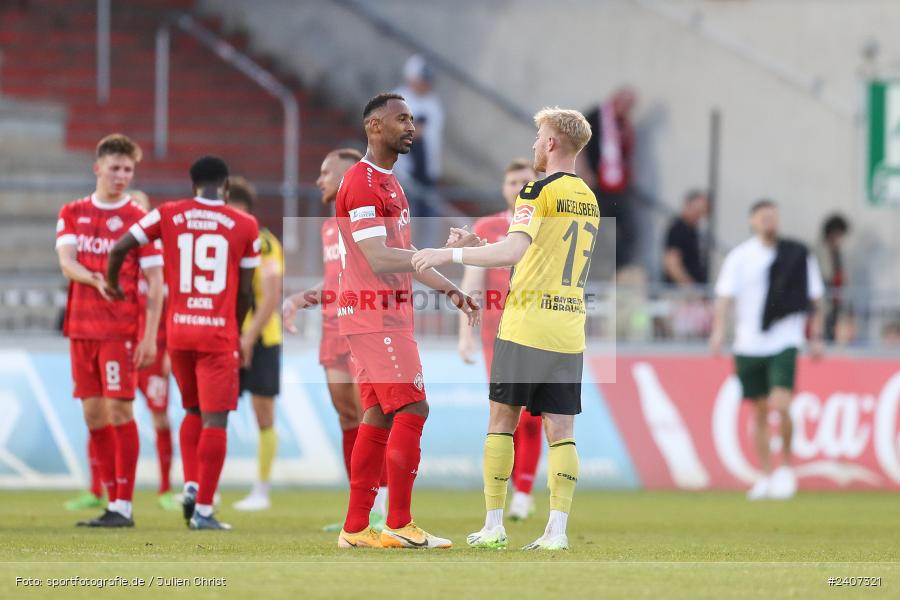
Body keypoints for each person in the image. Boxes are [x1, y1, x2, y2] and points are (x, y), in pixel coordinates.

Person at [414, 107, 599, 551]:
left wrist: (447, 256)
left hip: (526, 322)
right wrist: (478, 244)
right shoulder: (587, 196)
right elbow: (542, 253)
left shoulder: (537, 189)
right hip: (569, 324)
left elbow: (515, 252)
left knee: (502, 419)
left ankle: (494, 524)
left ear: (552, 142)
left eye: (538, 136)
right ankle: (557, 531)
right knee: (562, 428)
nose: (535, 144)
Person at [334, 92, 479, 550]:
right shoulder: (362, 182)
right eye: (402, 119)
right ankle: (399, 521)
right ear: (374, 126)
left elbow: (402, 258)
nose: (411, 126)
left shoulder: (391, 184)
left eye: (414, 119)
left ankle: (356, 529)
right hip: (375, 315)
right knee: (414, 408)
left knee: (377, 415)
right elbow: (378, 258)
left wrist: (450, 288)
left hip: (385, 313)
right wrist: (442, 259)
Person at [107, 156, 259, 530]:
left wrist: (113, 284)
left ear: (193, 185)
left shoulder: (169, 213)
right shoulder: (245, 224)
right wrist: (236, 331)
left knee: (191, 409)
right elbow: (245, 292)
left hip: (178, 333)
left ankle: (191, 483)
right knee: (215, 419)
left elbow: (119, 247)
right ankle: (204, 509)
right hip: (217, 334)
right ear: (225, 187)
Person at [55, 134, 164, 527]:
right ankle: (109, 499)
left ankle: (123, 504)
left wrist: (151, 336)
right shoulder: (72, 211)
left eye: (128, 169)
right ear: (97, 168)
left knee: (120, 409)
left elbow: (156, 280)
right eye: (115, 168)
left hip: (121, 329)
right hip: (81, 328)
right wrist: (94, 279)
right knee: (94, 414)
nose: (121, 175)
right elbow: (67, 262)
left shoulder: (140, 219)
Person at [282, 147, 390, 531]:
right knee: (347, 417)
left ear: (346, 177)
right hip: (331, 329)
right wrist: (299, 299)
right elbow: (333, 282)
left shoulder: (367, 220)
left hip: (361, 327)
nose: (319, 180)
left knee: (373, 418)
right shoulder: (330, 228)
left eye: (326, 173)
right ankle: (359, 506)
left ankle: (384, 507)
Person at [709, 200, 825, 501]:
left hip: (784, 339)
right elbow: (724, 297)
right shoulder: (740, 257)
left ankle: (786, 468)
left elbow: (816, 297)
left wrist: (817, 336)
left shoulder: (797, 255)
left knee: (782, 404)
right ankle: (765, 475)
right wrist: (719, 331)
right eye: (763, 217)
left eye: (773, 217)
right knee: (758, 411)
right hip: (749, 343)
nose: (769, 222)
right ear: (752, 221)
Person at [457, 157, 544, 521]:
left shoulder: (548, 223)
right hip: (499, 334)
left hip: (539, 328)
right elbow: (472, 281)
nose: (518, 187)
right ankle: (505, 485)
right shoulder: (487, 226)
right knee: (505, 412)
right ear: (503, 188)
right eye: (512, 182)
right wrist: (466, 335)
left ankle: (523, 491)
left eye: (525, 181)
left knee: (533, 416)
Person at [224, 176, 284, 512]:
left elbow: (271, 296)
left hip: (262, 338)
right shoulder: (219, 241)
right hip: (224, 337)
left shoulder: (264, 244)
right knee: (213, 410)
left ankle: (261, 490)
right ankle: (207, 489)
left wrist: (247, 338)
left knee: (264, 413)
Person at [131, 190, 178, 512]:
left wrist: (168, 351)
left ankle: (164, 488)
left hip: (156, 351)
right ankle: (99, 489)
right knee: (104, 414)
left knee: (159, 417)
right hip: (121, 347)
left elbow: (172, 305)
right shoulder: (118, 258)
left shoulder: (163, 258)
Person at [577, 87, 637, 269]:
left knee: (628, 230)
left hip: (619, 187)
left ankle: (619, 270)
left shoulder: (623, 124)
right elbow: (578, 144)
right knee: (597, 229)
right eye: (625, 104)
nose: (627, 109)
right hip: (597, 184)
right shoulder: (596, 116)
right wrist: (585, 172)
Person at [812, 214, 850, 341]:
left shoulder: (837, 252)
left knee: (834, 327)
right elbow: (820, 273)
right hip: (823, 297)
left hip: (835, 298)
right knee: (823, 327)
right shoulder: (819, 249)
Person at [662, 189, 709, 286]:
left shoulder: (692, 230)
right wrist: (690, 288)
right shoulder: (678, 229)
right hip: (681, 294)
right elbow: (672, 264)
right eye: (697, 211)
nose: (699, 216)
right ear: (688, 205)